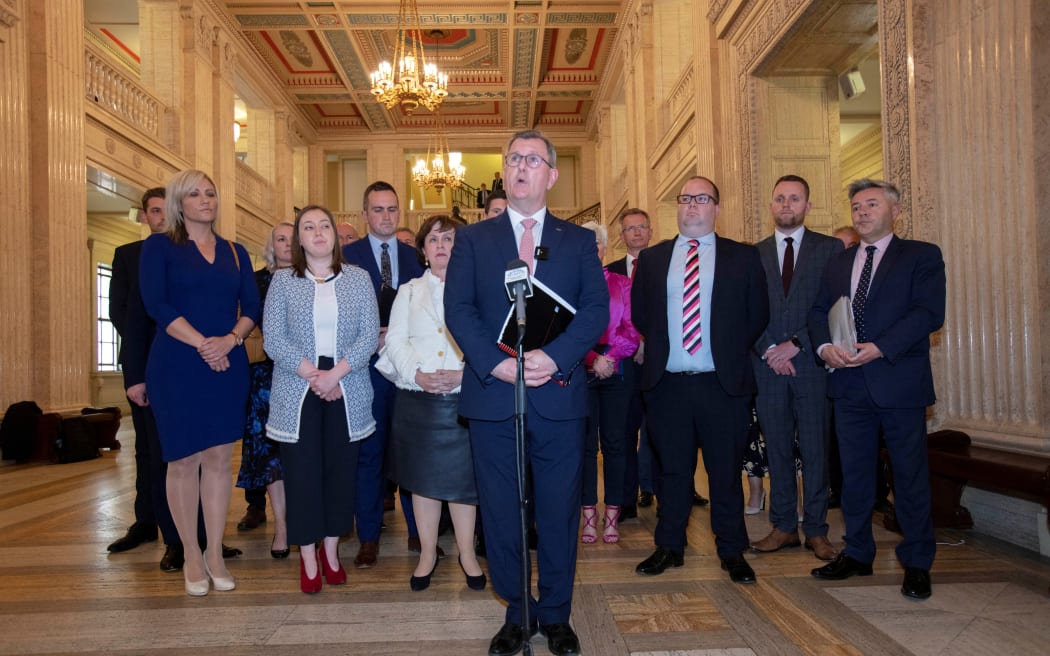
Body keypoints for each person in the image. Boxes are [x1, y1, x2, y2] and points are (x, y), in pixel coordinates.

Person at [445, 129, 608, 656]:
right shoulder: (473, 239)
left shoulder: (579, 240)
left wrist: (553, 357)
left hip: (557, 393)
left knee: (558, 508)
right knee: (500, 507)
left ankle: (556, 614)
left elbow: (595, 314)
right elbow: (459, 312)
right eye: (513, 158)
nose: (521, 167)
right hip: (495, 396)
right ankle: (517, 612)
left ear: (551, 175)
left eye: (533, 160)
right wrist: (498, 364)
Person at [809, 179, 945, 600]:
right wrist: (825, 347)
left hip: (899, 383)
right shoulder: (837, 262)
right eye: (856, 206)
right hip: (848, 385)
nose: (862, 212)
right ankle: (858, 553)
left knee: (909, 477)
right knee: (853, 478)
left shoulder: (921, 255)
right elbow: (818, 312)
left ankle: (917, 562)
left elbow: (928, 313)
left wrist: (880, 348)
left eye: (871, 204)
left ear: (895, 210)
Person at [632, 176, 768, 584]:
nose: (692, 206)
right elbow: (641, 314)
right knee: (671, 472)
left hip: (721, 383)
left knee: (724, 472)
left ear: (716, 209)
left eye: (702, 199)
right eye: (686, 199)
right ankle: (669, 546)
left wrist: (723, 349)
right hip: (667, 384)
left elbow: (756, 314)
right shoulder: (654, 259)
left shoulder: (742, 257)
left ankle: (732, 550)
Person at [139, 169, 261, 596]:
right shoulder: (160, 247)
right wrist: (203, 345)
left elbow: (252, 305)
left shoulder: (235, 250)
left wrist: (229, 340)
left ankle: (214, 553)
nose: (205, 199)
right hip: (177, 363)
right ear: (178, 203)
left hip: (228, 363)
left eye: (210, 192)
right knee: (183, 460)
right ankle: (190, 551)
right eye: (194, 194)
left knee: (218, 458)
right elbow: (157, 303)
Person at [264, 204, 379, 593]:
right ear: (299, 238)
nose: (317, 232)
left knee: (340, 473)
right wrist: (313, 375)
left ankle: (332, 550)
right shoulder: (282, 281)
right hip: (298, 387)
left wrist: (335, 375)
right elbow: (273, 338)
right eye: (308, 227)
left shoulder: (359, 278)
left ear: (334, 234)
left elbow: (368, 335)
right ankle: (308, 554)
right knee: (302, 474)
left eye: (324, 225)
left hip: (347, 383)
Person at [379, 214, 487, 592]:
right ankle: (427, 553)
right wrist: (419, 374)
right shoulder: (408, 291)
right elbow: (395, 341)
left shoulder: (479, 289)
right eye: (434, 240)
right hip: (418, 399)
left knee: (463, 484)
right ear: (423, 251)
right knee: (423, 484)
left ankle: (467, 554)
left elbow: (491, 343)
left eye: (450, 239)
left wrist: (465, 375)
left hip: (464, 398)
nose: (442, 246)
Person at [749, 175, 842, 562]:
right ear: (771, 205)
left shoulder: (831, 249)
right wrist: (771, 348)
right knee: (778, 450)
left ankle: (817, 530)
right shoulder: (752, 253)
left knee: (817, 449)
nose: (786, 205)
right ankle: (784, 526)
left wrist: (797, 344)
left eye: (795, 199)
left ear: (808, 205)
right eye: (780, 198)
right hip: (767, 367)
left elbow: (836, 305)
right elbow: (747, 310)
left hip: (811, 364)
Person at [341, 181, 425, 568]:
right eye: (378, 210)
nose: (386, 216)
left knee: (409, 452)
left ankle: (418, 533)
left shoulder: (415, 257)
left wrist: (399, 335)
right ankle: (369, 537)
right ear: (364, 215)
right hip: (363, 370)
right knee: (368, 455)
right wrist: (366, 337)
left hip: (407, 371)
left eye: (392, 209)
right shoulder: (347, 256)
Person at [109, 188, 181, 571]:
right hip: (146, 364)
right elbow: (122, 314)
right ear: (144, 216)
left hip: (187, 364)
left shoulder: (190, 253)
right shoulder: (128, 256)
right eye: (155, 211)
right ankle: (149, 523)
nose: (162, 217)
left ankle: (193, 531)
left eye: (167, 210)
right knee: (150, 451)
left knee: (190, 454)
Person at [579, 220, 640, 544]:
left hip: (617, 370)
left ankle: (613, 516)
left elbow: (631, 329)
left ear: (604, 248)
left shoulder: (622, 283)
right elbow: (565, 333)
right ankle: (588, 517)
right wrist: (592, 359)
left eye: (597, 244)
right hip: (581, 369)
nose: (593, 249)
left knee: (616, 445)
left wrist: (610, 358)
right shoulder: (569, 286)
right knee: (585, 446)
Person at [235, 222, 294, 559]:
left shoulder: (313, 278)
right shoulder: (256, 281)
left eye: (292, 239)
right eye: (280, 239)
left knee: (302, 455)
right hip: (264, 380)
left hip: (305, 375)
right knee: (271, 456)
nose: (286, 244)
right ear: (271, 245)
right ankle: (282, 528)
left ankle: (304, 522)